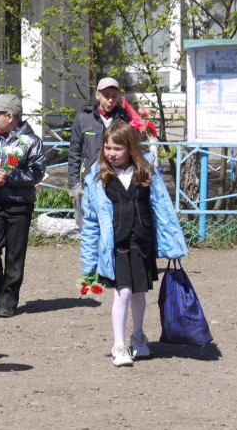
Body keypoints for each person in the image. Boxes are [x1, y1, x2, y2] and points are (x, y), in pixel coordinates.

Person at [80, 122, 188, 367]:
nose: (111, 153)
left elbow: (162, 209)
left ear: (130, 148)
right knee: (124, 292)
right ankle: (119, 346)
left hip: (142, 243)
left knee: (139, 293)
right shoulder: (98, 178)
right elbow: (90, 223)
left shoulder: (146, 172)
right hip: (116, 247)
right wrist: (88, 263)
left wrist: (172, 244)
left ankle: (138, 336)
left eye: (117, 148)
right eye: (107, 147)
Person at [0, 93, 46, 318]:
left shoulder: (32, 142)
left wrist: (10, 177)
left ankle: (9, 298)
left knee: (15, 254)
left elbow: (36, 172)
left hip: (19, 205)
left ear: (10, 116)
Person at [68, 77, 132, 229]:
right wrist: (75, 184)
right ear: (97, 95)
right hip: (90, 181)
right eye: (106, 95)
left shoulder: (124, 118)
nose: (110, 100)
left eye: (114, 96)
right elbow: (75, 152)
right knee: (90, 228)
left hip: (117, 181)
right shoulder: (83, 118)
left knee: (114, 227)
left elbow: (132, 150)